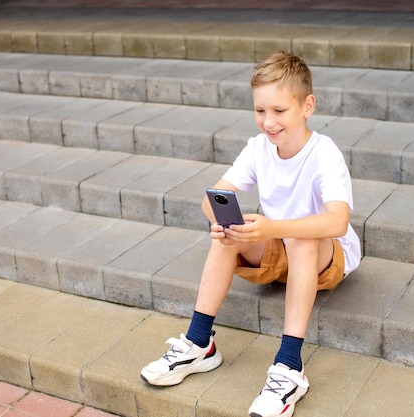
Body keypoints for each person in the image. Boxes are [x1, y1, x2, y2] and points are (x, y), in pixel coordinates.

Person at [140, 51, 361, 417]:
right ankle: (199, 344)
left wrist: (271, 227)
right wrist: (227, 220)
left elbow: (336, 222)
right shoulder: (259, 148)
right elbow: (211, 199)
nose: (268, 122)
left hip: (325, 256)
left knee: (301, 238)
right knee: (228, 231)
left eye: (279, 111)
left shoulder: (324, 153)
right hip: (279, 248)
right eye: (260, 111)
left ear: (307, 106)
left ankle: (290, 366)